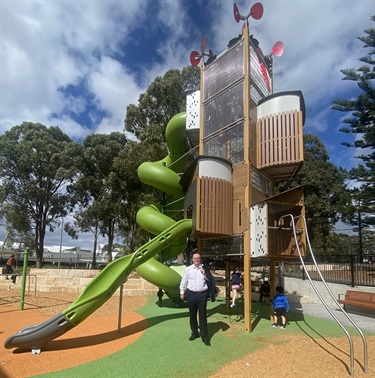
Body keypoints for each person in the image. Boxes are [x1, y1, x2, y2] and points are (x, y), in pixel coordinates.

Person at [180, 253, 216, 346]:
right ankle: (195, 332)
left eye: (198, 258)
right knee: (192, 315)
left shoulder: (204, 268)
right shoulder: (188, 269)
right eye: (195, 258)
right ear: (192, 259)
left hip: (202, 295)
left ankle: (205, 336)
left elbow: (210, 280)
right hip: (191, 295)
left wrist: (205, 274)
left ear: (200, 259)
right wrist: (182, 292)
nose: (196, 260)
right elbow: (184, 281)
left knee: (203, 316)